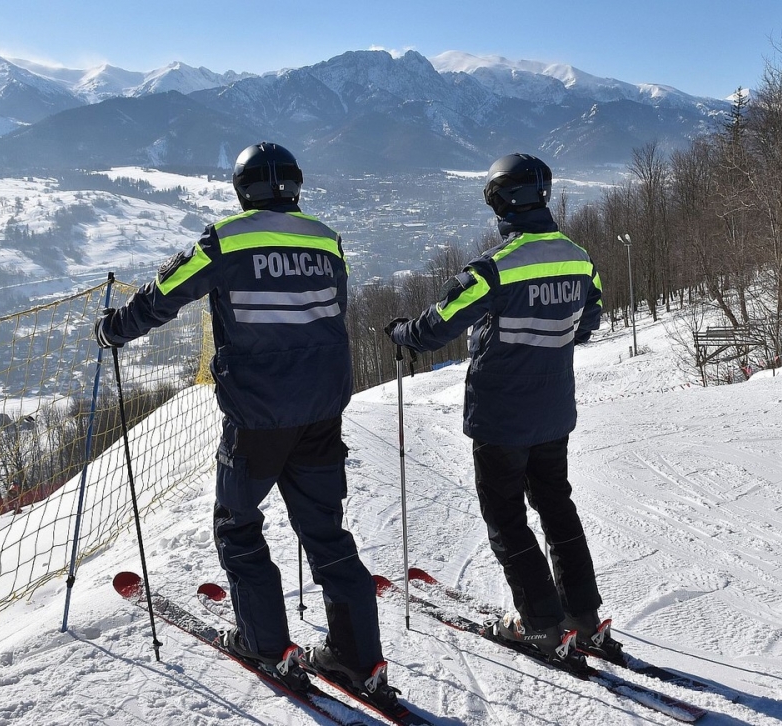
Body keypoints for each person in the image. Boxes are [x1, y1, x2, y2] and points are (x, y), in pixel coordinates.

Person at [95, 142, 398, 707]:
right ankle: (358, 658)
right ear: (295, 187)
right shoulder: (327, 239)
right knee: (327, 533)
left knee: (238, 524)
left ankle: (266, 644)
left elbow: (165, 294)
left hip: (258, 414)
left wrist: (114, 330)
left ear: (243, 189)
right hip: (323, 411)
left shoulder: (224, 239)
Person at [384, 153, 621, 666]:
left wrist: (402, 331)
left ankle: (540, 624)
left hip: (500, 417)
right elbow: (589, 320)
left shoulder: (494, 268)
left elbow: (436, 326)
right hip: (553, 410)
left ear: (501, 203)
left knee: (507, 517)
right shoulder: (580, 259)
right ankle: (584, 616)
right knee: (557, 508)